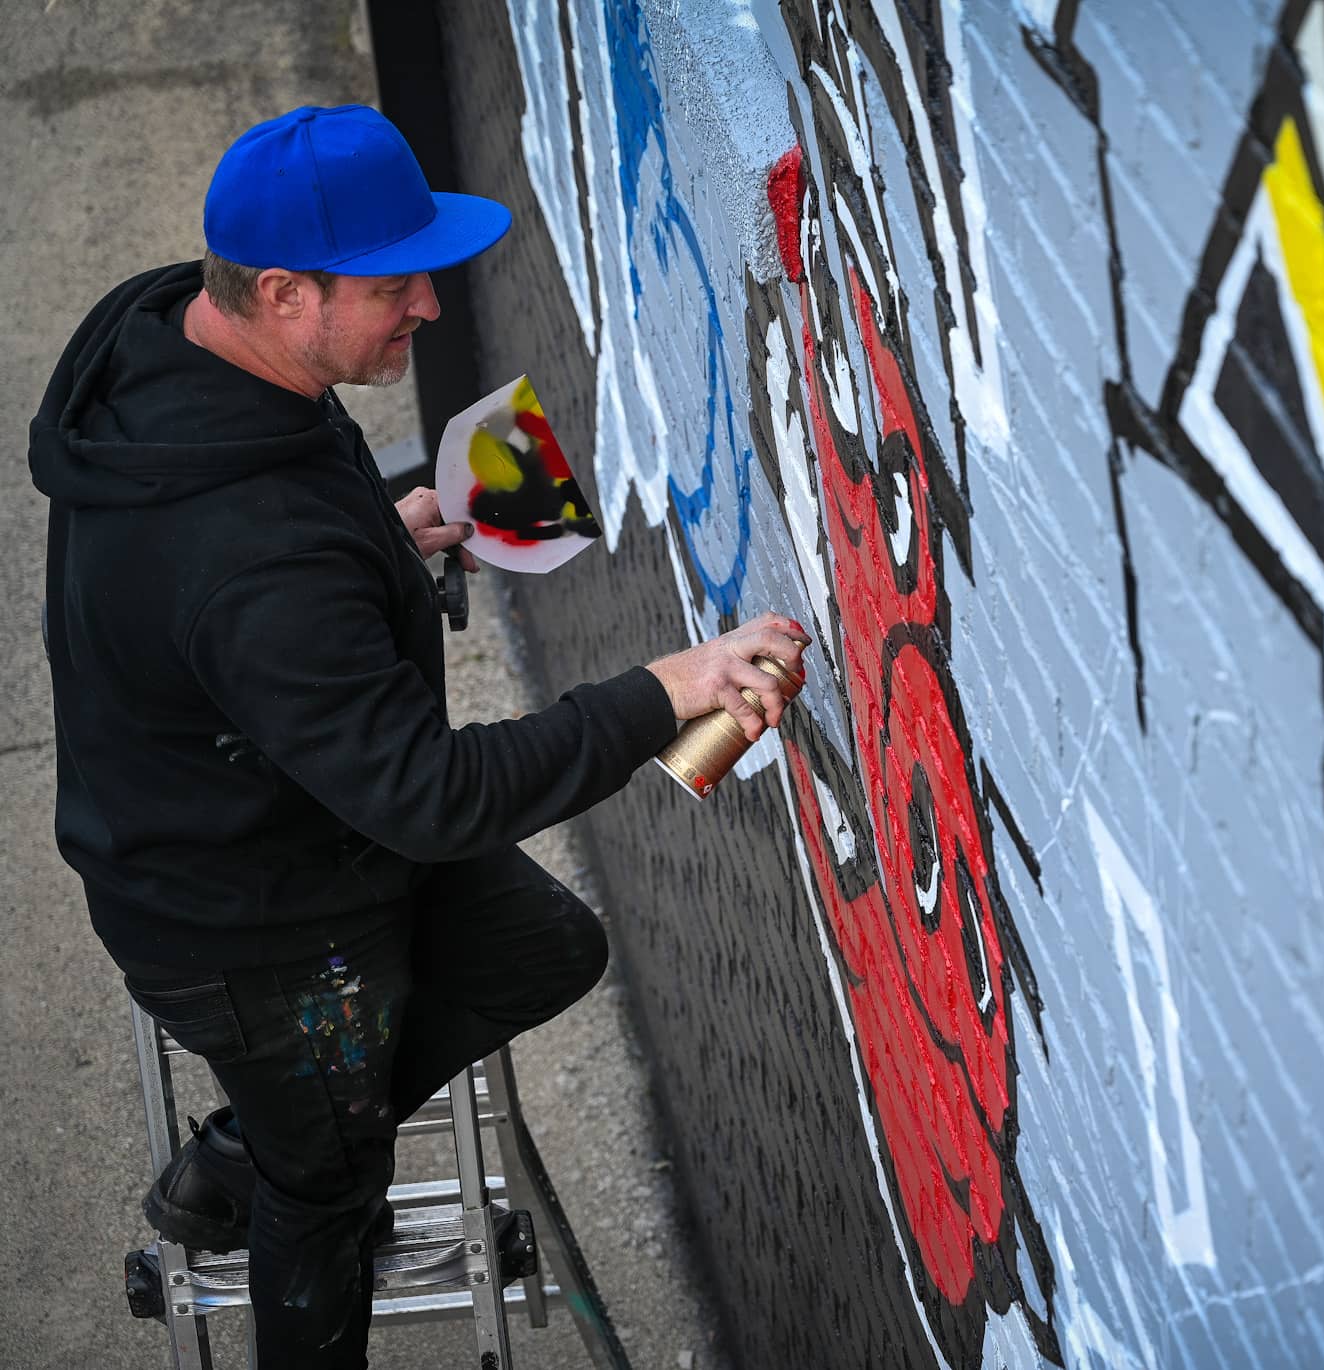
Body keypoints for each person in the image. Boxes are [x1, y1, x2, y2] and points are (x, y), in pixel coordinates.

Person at [29, 103, 809, 1367]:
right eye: (398, 285)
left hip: (283, 820)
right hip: (250, 926)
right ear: (283, 291)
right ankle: (275, 1164)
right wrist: (664, 687)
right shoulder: (258, 564)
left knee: (546, 946)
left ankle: (253, 1146)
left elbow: (235, 595)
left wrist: (376, 537)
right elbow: (433, 798)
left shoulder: (171, 333)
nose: (431, 309)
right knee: (327, 1195)